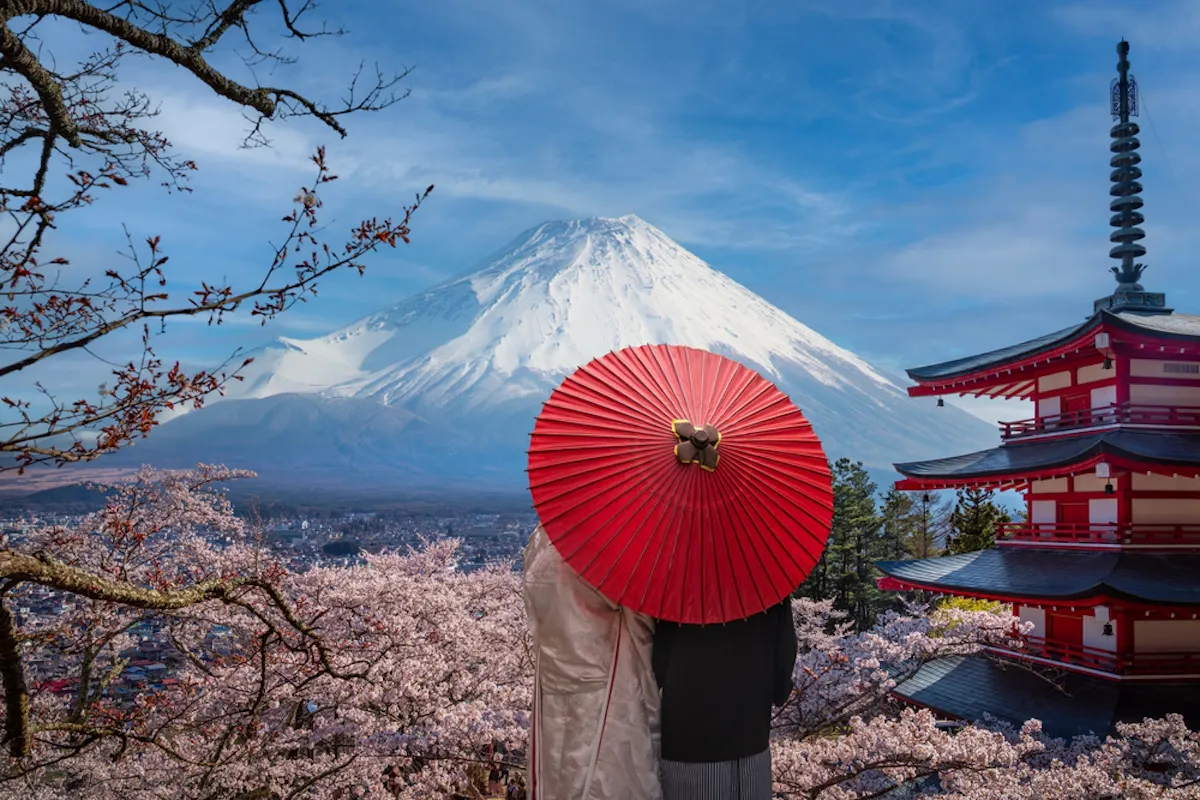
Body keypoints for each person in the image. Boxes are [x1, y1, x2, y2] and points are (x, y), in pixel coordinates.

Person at [523, 525, 662, 799]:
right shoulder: (611, 544)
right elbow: (640, 621)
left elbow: (535, 614)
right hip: (605, 675)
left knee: (558, 771)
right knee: (602, 774)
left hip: (554, 674)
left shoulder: (540, 543)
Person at [652, 595, 797, 799]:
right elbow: (784, 657)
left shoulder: (674, 588)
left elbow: (656, 667)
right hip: (751, 734)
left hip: (689, 741)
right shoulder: (767, 586)